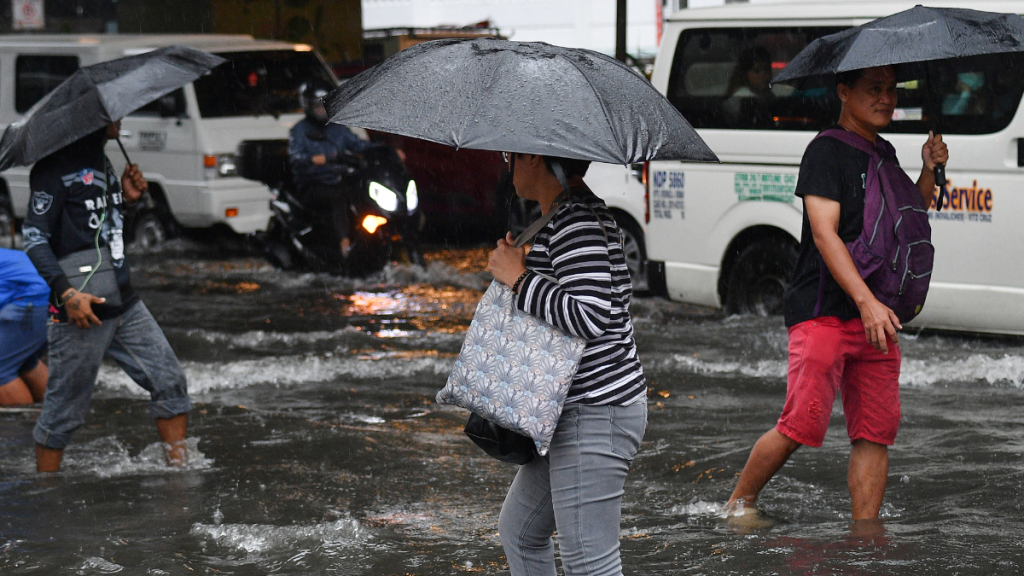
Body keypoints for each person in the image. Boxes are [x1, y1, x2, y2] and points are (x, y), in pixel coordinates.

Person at [722, 65, 948, 528]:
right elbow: (826, 237)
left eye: (891, 90)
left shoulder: (882, 151)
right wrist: (865, 303)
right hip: (825, 312)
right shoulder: (824, 151)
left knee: (874, 434)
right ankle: (737, 505)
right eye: (874, 90)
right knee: (799, 426)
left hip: (878, 316)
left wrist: (928, 170)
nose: (886, 99)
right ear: (844, 92)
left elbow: (907, 216)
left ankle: (865, 535)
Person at [488, 152, 647, 576]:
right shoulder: (564, 216)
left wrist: (519, 279)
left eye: (510, 155)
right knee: (520, 531)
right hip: (568, 411)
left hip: (595, 410)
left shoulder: (577, 222)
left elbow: (590, 316)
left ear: (534, 157)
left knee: (589, 563)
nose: (507, 165)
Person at [22, 121, 190, 473]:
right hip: (80, 310)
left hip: (125, 301)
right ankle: (45, 493)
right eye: (112, 115)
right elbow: (35, 239)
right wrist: (67, 294)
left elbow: (103, 232)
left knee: (169, 380)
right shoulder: (53, 170)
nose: (120, 120)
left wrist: (126, 202)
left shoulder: (104, 161)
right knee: (63, 412)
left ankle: (180, 473)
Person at [288, 79, 374, 262]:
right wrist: (311, 159)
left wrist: (382, 148)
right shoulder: (299, 131)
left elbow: (357, 145)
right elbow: (294, 158)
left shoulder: (338, 128)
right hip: (313, 184)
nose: (320, 110)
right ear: (308, 106)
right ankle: (344, 244)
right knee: (339, 197)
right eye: (316, 106)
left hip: (341, 179)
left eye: (323, 105)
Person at [0, 247, 49, 406]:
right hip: (53, 301)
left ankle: (20, 426)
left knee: (1, 370)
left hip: (30, 303)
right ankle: (56, 417)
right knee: (26, 361)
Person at [721, 46, 775, 127]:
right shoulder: (735, 102)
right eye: (757, 71)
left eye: (767, 69)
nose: (764, 75)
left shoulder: (769, 97)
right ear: (745, 74)